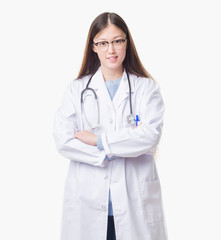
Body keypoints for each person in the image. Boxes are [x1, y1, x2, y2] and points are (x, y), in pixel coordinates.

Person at [53, 12, 168, 240]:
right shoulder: (77, 90)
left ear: (127, 42)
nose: (111, 50)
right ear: (93, 47)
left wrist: (99, 141)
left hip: (134, 202)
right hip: (88, 200)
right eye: (103, 43)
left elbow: (149, 137)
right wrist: (111, 152)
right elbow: (63, 139)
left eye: (117, 41)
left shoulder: (146, 89)